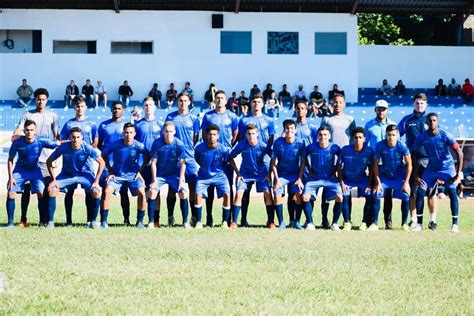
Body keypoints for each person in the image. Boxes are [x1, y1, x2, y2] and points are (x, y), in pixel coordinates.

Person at [12, 88, 59, 227]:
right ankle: (23, 219)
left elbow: (56, 137)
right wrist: (16, 136)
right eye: (38, 99)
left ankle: (44, 220)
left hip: (46, 159)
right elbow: (18, 130)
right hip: (29, 159)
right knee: (26, 190)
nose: (41, 101)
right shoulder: (28, 114)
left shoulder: (53, 116)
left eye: (43, 99)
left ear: (47, 100)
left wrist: (55, 158)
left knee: (45, 190)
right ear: (35, 99)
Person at [412, 113, 463, 233]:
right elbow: (413, 152)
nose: (432, 123)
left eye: (434, 120)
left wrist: (457, 173)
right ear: (426, 123)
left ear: (437, 122)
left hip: (447, 169)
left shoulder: (445, 135)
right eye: (430, 121)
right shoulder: (422, 136)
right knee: (420, 191)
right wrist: (415, 173)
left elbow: (459, 152)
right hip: (431, 169)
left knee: (452, 191)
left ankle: (455, 224)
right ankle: (419, 224)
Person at [46, 127, 105, 228]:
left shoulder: (86, 147)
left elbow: (102, 162)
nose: (75, 140)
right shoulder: (64, 147)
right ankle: (50, 223)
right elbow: (49, 161)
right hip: (67, 175)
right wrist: (54, 179)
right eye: (73, 137)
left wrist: (96, 181)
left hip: (84, 175)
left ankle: (93, 222)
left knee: (96, 192)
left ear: (81, 138)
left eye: (78, 137)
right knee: (51, 190)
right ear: (70, 137)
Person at [6, 120, 59, 228]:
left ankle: (41, 222)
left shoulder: (41, 140)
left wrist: (75, 141)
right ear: (24, 130)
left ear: (35, 130)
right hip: (20, 170)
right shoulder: (17, 142)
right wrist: (10, 177)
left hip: (35, 170)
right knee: (11, 192)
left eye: (31, 130)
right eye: (27, 130)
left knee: (41, 192)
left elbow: (58, 143)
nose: (29, 132)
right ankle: (10, 223)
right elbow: (10, 159)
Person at [59, 96, 99, 226]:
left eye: (82, 106)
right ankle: (68, 221)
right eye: (77, 106)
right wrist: (74, 145)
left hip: (86, 164)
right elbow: (62, 141)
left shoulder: (91, 124)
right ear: (74, 107)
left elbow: (96, 141)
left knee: (89, 192)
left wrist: (86, 150)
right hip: (70, 163)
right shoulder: (69, 124)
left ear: (85, 107)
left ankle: (90, 220)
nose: (79, 108)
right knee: (69, 192)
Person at [201, 90, 238, 227]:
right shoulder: (208, 116)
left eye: (222, 98)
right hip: (211, 156)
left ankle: (228, 219)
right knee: (209, 186)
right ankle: (209, 217)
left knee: (228, 187)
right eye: (217, 98)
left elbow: (235, 134)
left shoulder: (232, 116)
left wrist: (228, 148)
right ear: (214, 100)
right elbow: (204, 134)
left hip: (225, 157)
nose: (220, 100)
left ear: (226, 100)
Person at [101, 123, 149, 229]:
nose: (128, 135)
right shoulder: (115, 144)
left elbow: (148, 156)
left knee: (142, 192)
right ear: (123, 133)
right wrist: (110, 171)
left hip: (133, 176)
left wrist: (140, 171)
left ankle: (140, 221)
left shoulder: (139, 145)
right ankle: (103, 222)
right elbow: (103, 155)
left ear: (134, 134)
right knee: (107, 191)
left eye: (131, 132)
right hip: (117, 176)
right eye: (126, 132)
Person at [238, 94, 275, 226]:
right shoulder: (243, 120)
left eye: (259, 102)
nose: (256, 104)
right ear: (250, 103)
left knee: (266, 190)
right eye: (254, 101)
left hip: (263, 159)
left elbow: (271, 138)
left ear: (263, 103)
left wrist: (266, 151)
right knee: (245, 190)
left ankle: (270, 220)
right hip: (248, 159)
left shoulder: (269, 120)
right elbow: (241, 138)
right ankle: (243, 219)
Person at [320, 94, 356, 228]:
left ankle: (347, 219)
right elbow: (322, 137)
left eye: (340, 102)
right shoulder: (326, 119)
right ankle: (324, 218)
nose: (337, 105)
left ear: (344, 104)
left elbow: (353, 138)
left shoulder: (350, 119)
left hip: (346, 158)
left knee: (345, 189)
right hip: (330, 158)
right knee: (327, 187)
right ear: (332, 104)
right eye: (335, 102)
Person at [297, 126, 342, 231]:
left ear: (329, 136)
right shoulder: (311, 147)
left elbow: (340, 162)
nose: (323, 137)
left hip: (329, 179)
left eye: (325, 134)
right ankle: (310, 223)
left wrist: (334, 171)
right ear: (317, 136)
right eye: (321, 135)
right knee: (305, 197)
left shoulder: (335, 147)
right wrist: (308, 170)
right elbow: (303, 161)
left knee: (340, 197)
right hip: (314, 178)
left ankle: (334, 223)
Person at [165, 93, 200, 227]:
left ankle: (193, 218)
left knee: (192, 187)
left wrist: (188, 148)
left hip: (189, 157)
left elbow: (196, 136)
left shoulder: (194, 118)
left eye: (185, 101)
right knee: (172, 188)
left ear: (189, 102)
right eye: (180, 101)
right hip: (173, 158)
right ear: (177, 102)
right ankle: (170, 217)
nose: (183, 103)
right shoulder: (171, 117)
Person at [398, 93, 431, 229]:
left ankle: (429, 220)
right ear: (413, 104)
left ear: (426, 104)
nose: (420, 105)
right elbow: (396, 136)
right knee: (413, 190)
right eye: (417, 103)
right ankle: (413, 219)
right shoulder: (407, 120)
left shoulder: (431, 120)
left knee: (427, 192)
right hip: (412, 160)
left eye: (422, 103)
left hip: (428, 160)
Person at [229, 124, 273, 228]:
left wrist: (269, 174)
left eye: (253, 133)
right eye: (249, 134)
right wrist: (238, 174)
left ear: (257, 134)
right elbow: (230, 157)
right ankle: (234, 222)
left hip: (261, 174)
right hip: (245, 174)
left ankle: (271, 222)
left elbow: (273, 158)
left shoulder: (263, 146)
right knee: (239, 193)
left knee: (267, 193)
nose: (251, 136)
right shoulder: (242, 145)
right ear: (245, 134)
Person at [149, 122, 190, 229]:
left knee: (183, 192)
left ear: (174, 132)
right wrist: (154, 180)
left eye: (171, 131)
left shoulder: (179, 144)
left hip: (174, 174)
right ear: (163, 132)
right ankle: (151, 222)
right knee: (152, 191)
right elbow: (153, 162)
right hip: (160, 175)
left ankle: (185, 222)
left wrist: (181, 181)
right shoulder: (157, 143)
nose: (168, 134)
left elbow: (183, 163)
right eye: (166, 131)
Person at [372, 125, 412, 231]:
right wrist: (378, 182)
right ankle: (375, 224)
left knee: (406, 194)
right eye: (389, 135)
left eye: (393, 135)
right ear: (386, 135)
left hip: (399, 177)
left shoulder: (402, 146)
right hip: (385, 176)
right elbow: (375, 164)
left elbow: (409, 164)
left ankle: (404, 224)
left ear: (397, 135)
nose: (391, 137)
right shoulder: (380, 145)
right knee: (377, 193)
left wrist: (406, 182)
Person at [364, 99, 397, 229]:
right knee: (372, 193)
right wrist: (367, 164)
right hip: (374, 164)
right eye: (379, 109)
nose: (381, 111)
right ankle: (370, 221)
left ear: (387, 110)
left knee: (388, 195)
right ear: (375, 110)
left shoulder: (393, 124)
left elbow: (396, 144)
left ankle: (388, 221)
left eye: (383, 109)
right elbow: (365, 145)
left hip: (389, 164)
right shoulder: (369, 125)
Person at [98, 101, 131, 225]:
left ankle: (126, 219)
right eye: (114, 108)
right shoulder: (104, 125)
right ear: (111, 110)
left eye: (119, 108)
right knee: (105, 190)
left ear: (122, 110)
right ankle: (102, 220)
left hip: (123, 164)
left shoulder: (127, 126)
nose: (116, 110)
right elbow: (100, 143)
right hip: (107, 164)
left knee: (124, 192)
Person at [194, 125, 232, 228]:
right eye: (210, 134)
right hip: (203, 176)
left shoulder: (223, 149)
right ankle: (199, 222)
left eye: (214, 134)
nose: (212, 136)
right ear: (206, 135)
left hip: (219, 175)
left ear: (218, 136)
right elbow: (197, 159)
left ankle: (224, 222)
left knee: (227, 194)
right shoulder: (199, 148)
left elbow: (226, 161)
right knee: (197, 194)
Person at [336, 127, 374, 231]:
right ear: (352, 139)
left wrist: (369, 184)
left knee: (370, 195)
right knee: (345, 195)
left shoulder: (369, 151)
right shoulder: (345, 149)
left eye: (360, 137)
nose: (357, 140)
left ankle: (365, 222)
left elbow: (372, 169)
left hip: (362, 180)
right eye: (355, 137)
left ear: (364, 139)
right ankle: (347, 222)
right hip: (347, 180)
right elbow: (338, 166)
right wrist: (342, 182)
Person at [270, 119, 305, 230]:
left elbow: (303, 162)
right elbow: (273, 162)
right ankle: (281, 222)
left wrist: (299, 179)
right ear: (284, 130)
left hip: (295, 174)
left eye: (291, 128)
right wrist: (276, 179)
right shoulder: (278, 142)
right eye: (287, 128)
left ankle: (297, 222)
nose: (289, 130)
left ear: (295, 130)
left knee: (298, 193)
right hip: (281, 175)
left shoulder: (300, 143)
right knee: (277, 193)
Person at [134, 97, 164, 226]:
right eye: (146, 105)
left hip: (156, 164)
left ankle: (155, 220)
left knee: (155, 191)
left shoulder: (161, 124)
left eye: (150, 105)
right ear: (143, 107)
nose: (148, 107)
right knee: (142, 191)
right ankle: (140, 220)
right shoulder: (138, 124)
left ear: (154, 107)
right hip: (142, 164)